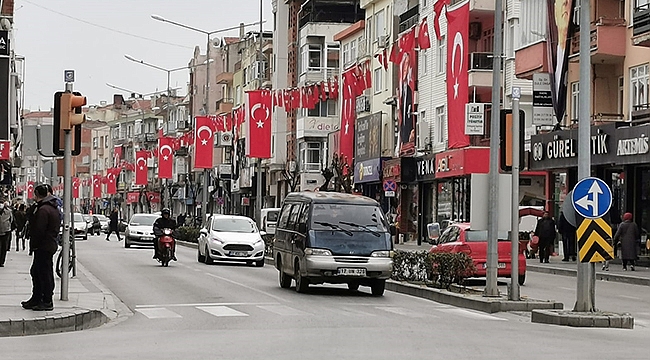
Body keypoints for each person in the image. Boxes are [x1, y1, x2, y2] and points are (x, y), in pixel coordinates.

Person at [21, 184, 60, 311]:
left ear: (37, 195)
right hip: (47, 244)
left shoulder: (44, 210)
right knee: (37, 272)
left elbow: (39, 229)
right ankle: (37, 297)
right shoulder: (50, 207)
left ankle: (46, 299)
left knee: (43, 273)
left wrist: (34, 244)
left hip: (43, 245)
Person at [0, 200, 13, 266]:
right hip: (4, 229)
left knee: (3, 246)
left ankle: (2, 261)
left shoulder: (8, 211)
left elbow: (11, 220)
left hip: (5, 230)